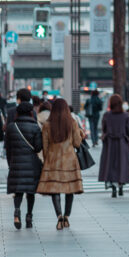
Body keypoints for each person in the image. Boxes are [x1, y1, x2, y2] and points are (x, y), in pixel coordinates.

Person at [36, 98, 84, 230]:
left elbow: (45, 147)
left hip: (53, 161)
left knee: (55, 190)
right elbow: (77, 143)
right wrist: (80, 134)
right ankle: (67, 217)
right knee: (70, 190)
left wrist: (47, 160)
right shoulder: (72, 123)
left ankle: (59, 216)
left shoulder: (47, 125)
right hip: (69, 161)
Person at [5, 102, 43, 229]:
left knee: (18, 190)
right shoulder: (35, 127)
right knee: (30, 192)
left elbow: (7, 147)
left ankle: (16, 211)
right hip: (31, 163)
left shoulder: (11, 127)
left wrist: (10, 162)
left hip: (16, 161)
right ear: (31, 113)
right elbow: (38, 148)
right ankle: (29, 217)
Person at [98, 94, 129, 198]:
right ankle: (121, 186)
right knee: (121, 164)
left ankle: (112, 187)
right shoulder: (125, 116)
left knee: (110, 164)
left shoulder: (106, 115)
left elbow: (104, 129)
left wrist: (104, 136)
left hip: (109, 143)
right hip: (122, 142)